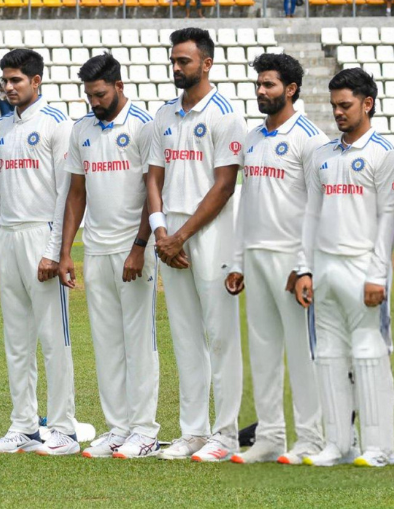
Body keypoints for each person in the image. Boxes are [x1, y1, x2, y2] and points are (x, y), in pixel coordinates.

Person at [292, 68, 394, 468]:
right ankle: (339, 444)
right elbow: (311, 216)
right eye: (335, 105)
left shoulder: (385, 155)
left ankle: (380, 448)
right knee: (330, 358)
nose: (338, 112)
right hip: (325, 268)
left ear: (367, 104)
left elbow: (388, 218)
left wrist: (378, 275)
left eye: (346, 105)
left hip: (362, 269)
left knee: (370, 356)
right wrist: (304, 268)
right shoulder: (322, 155)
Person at [146, 27, 246, 462]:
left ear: (206, 63)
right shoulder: (164, 114)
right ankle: (193, 431)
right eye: (173, 60)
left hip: (212, 232)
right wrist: (160, 229)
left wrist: (180, 236)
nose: (176, 67)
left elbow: (225, 185)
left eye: (184, 61)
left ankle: (225, 435)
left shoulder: (227, 114)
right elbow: (153, 176)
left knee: (220, 336)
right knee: (186, 337)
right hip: (171, 235)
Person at [0, 48, 79, 456]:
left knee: (54, 338)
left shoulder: (57, 124)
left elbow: (64, 192)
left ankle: (64, 429)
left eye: (17, 80)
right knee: (16, 341)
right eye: (5, 80)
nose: (9, 86)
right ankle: (23, 426)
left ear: (36, 81)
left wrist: (55, 250)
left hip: (41, 236)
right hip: (8, 237)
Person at [225, 53, 327, 465]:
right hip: (255, 255)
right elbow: (245, 200)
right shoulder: (251, 138)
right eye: (258, 84)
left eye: (269, 84)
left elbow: (318, 209)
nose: (261, 91)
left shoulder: (310, 138)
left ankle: (312, 437)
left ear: (291, 89)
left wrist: (305, 266)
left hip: (291, 261)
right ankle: (269, 437)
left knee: (303, 352)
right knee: (263, 352)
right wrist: (236, 260)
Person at [58, 53, 160, 460]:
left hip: (133, 249)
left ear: (119, 86)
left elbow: (155, 189)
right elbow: (76, 194)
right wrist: (66, 252)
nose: (94, 102)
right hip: (96, 249)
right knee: (106, 343)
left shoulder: (144, 126)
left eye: (100, 94)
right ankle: (118, 427)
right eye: (89, 95)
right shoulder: (81, 128)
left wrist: (139, 247)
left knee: (139, 342)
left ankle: (145, 430)